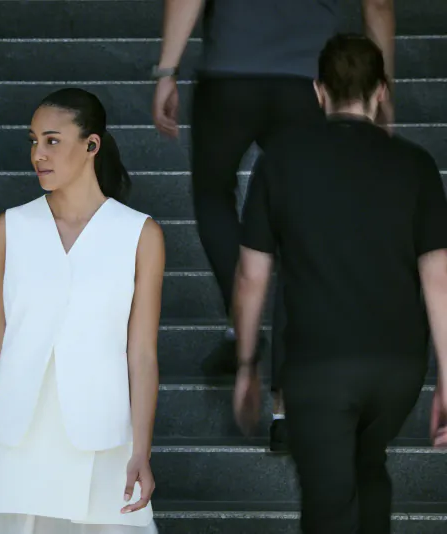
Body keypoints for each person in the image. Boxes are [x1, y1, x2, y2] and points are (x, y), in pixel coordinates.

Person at [152, 0, 396, 451]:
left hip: (229, 71)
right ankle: (285, 408)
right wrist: (382, 91)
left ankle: (239, 317)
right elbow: (378, 5)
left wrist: (167, 69)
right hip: (309, 80)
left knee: (212, 194)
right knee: (300, 236)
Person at [232, 34, 447, 534]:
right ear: (382, 92)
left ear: (319, 91)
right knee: (368, 467)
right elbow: (438, 277)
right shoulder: (415, 165)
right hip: (397, 369)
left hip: (318, 365)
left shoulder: (281, 160)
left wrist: (247, 363)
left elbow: (251, 274)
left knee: (329, 499)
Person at [0, 88, 164, 534]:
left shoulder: (139, 234)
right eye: (33, 141)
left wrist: (141, 450)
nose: (38, 155)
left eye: (52, 140)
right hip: (15, 439)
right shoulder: (9, 229)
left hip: (101, 437)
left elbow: (142, 354)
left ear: (91, 145)